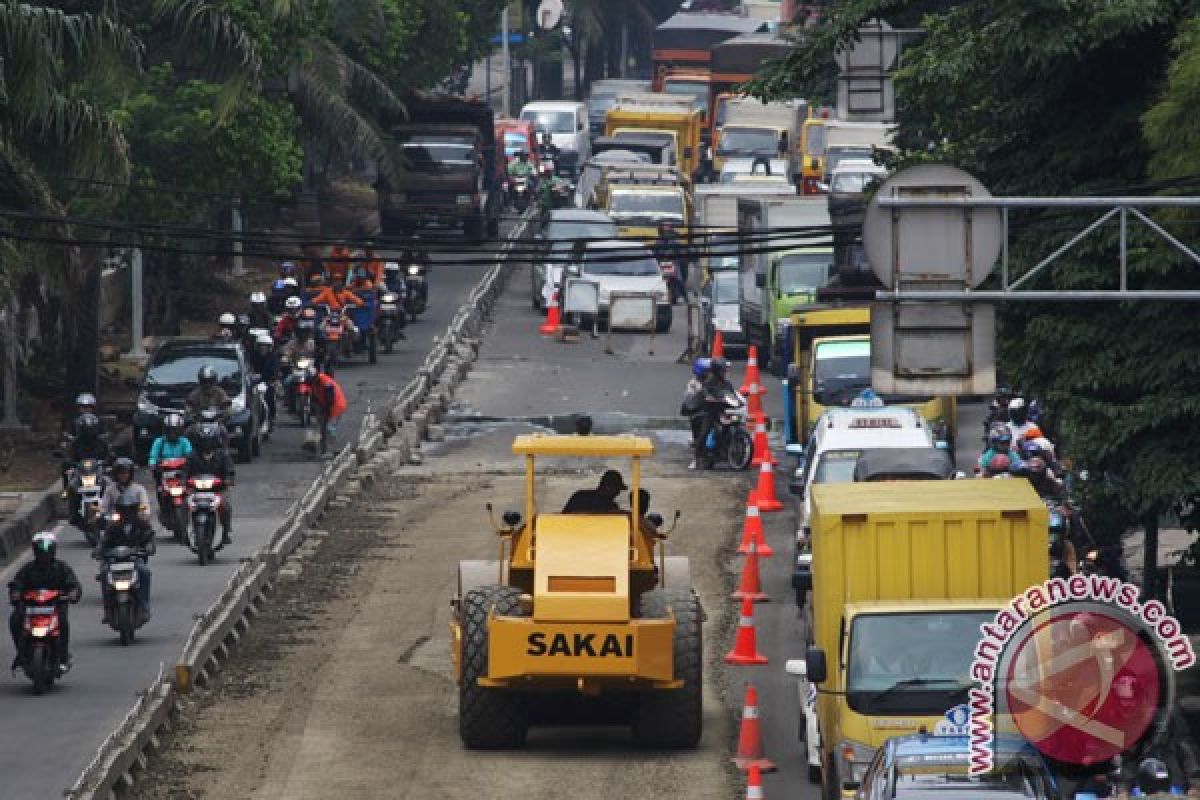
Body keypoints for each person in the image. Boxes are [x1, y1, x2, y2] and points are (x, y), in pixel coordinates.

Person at [8, 532, 81, 671]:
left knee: (63, 623)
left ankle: (63, 656)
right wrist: (16, 594)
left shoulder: (61, 568)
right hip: (30, 609)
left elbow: (73, 584)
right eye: (41, 550)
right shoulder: (28, 569)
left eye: (47, 550)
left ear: (53, 551)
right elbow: (17, 583)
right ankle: (21, 653)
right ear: (35, 551)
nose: (44, 554)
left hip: (55, 607)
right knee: (15, 620)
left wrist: (72, 594)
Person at [95, 487, 155, 618]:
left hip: (134, 560)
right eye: (124, 510)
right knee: (104, 574)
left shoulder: (142, 524)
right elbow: (104, 540)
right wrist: (99, 550)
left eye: (130, 509)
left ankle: (144, 606)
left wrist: (148, 547)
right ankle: (108, 609)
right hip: (114, 561)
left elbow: (149, 537)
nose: (127, 513)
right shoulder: (112, 526)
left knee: (144, 573)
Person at [186, 423, 235, 546]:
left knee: (225, 507)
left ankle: (225, 532)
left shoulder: (223, 455)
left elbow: (230, 470)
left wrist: (228, 479)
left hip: (218, 489)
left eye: (209, 441)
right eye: (204, 441)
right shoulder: (192, 455)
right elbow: (185, 471)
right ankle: (183, 533)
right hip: (196, 490)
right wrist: (183, 483)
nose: (206, 444)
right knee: (183, 506)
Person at [692, 357, 735, 470]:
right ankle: (698, 456)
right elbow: (705, 393)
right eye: (723, 370)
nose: (725, 373)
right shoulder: (709, 382)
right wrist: (709, 397)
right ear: (717, 371)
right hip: (710, 411)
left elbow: (733, 394)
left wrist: (740, 398)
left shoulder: (727, 383)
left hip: (723, 410)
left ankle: (725, 448)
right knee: (705, 431)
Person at [63, 412, 111, 492]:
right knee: (71, 486)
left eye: (90, 429)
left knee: (110, 485)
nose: (88, 432)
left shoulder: (102, 442)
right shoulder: (75, 443)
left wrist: (108, 461)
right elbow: (69, 456)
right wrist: (69, 462)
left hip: (99, 471)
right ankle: (66, 493)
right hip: (80, 472)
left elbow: (109, 454)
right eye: (85, 429)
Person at [305, 368, 348, 455]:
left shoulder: (326, 383)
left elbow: (330, 399)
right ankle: (323, 449)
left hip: (336, 406)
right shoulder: (314, 382)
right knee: (322, 427)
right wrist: (314, 411)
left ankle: (330, 450)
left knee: (328, 428)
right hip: (326, 405)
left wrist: (325, 412)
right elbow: (315, 398)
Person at [682, 357, 710, 462]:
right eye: (706, 372)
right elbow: (692, 400)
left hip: (709, 407)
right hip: (697, 410)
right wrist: (703, 395)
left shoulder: (712, 381)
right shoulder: (693, 384)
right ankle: (698, 454)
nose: (708, 374)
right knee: (700, 429)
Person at [250, 333, 280, 428]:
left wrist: (269, 378)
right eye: (261, 346)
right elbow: (248, 368)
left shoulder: (273, 357)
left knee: (270, 396)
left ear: (270, 347)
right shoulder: (252, 356)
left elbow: (275, 371)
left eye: (265, 346)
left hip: (268, 382)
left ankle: (271, 416)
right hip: (254, 383)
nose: (263, 348)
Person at [562, 470, 628, 514]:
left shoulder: (580, 495)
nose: (618, 493)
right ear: (607, 486)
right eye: (617, 489)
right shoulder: (581, 497)